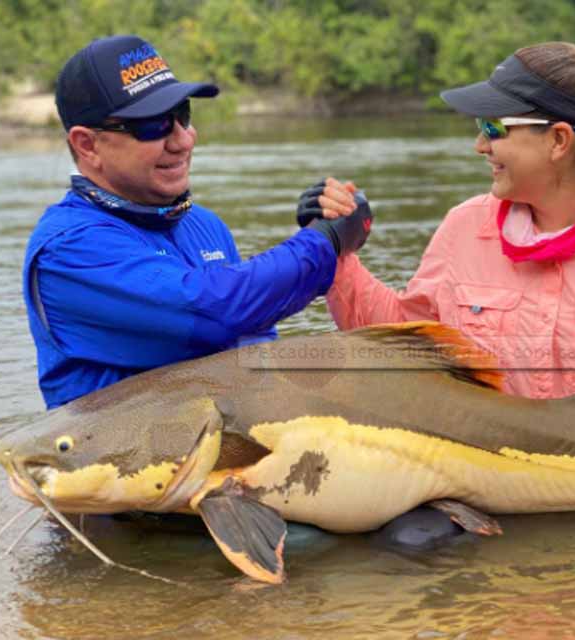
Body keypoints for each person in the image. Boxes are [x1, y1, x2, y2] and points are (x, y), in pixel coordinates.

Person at [301, 42, 575, 509]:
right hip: (480, 490)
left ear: (559, 141)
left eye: (493, 127)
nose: (480, 145)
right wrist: (333, 248)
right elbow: (403, 342)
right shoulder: (463, 228)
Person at [23, 35, 371, 409]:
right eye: (153, 124)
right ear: (88, 145)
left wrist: (321, 225)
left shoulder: (204, 225)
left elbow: (254, 347)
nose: (183, 140)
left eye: (183, 114)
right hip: (121, 445)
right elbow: (215, 312)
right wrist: (323, 241)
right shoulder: (66, 250)